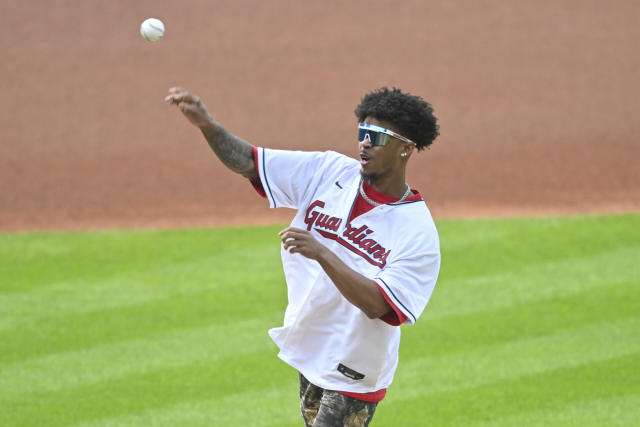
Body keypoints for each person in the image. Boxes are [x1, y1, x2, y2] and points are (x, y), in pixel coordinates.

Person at [165, 86, 441, 427]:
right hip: (311, 344)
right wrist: (207, 125)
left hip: (355, 366)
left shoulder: (417, 231)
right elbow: (251, 162)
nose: (365, 142)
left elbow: (379, 305)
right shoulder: (328, 171)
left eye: (376, 135)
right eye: (362, 132)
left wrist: (321, 252)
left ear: (406, 148)